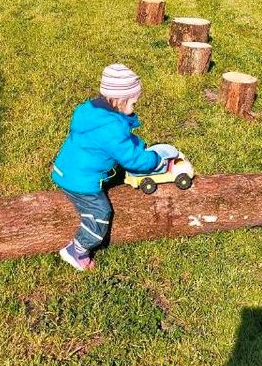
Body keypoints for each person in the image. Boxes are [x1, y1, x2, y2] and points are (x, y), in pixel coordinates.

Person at [51, 63, 178, 271]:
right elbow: (133, 161)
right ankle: (77, 249)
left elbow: (122, 142)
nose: (135, 106)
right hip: (80, 182)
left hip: (67, 168)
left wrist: (139, 146)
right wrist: (157, 160)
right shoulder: (111, 129)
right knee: (100, 213)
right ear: (120, 100)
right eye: (134, 103)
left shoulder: (92, 112)